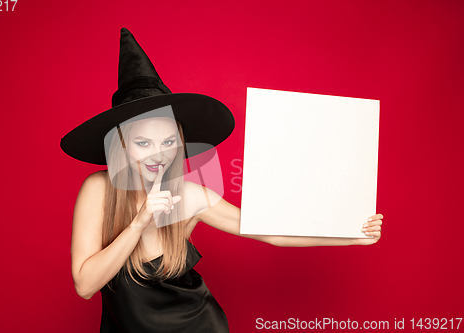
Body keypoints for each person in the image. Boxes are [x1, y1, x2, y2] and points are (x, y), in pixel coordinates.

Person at [60, 28, 384, 333]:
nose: (158, 155)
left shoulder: (189, 195)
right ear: (122, 144)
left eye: (169, 142)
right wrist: (139, 222)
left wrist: (352, 236)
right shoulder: (99, 188)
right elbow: (85, 286)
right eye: (143, 143)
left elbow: (270, 232)